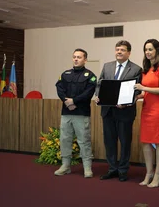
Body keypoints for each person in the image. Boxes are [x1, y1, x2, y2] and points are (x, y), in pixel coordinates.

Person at [95, 40, 142, 182]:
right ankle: (112, 169)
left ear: (129, 53)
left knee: (125, 142)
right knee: (109, 141)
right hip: (107, 110)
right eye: (117, 49)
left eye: (122, 50)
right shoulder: (107, 66)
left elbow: (137, 90)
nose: (119, 52)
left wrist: (127, 102)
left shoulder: (136, 69)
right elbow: (99, 84)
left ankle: (123, 170)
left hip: (125, 111)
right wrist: (98, 95)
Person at [54, 48, 97, 178]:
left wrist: (74, 101)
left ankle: (87, 168)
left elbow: (88, 93)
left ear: (85, 60)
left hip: (81, 113)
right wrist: (67, 101)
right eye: (74, 57)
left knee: (84, 141)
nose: (76, 59)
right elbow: (59, 88)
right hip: (66, 113)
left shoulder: (90, 76)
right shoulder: (65, 74)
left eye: (79, 57)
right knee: (65, 139)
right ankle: (65, 165)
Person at [134, 39, 159, 188]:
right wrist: (139, 95)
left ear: (157, 50)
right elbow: (149, 91)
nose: (148, 52)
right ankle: (149, 173)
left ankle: (158, 175)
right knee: (146, 141)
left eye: (150, 49)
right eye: (145, 50)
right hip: (147, 108)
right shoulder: (147, 68)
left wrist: (143, 88)